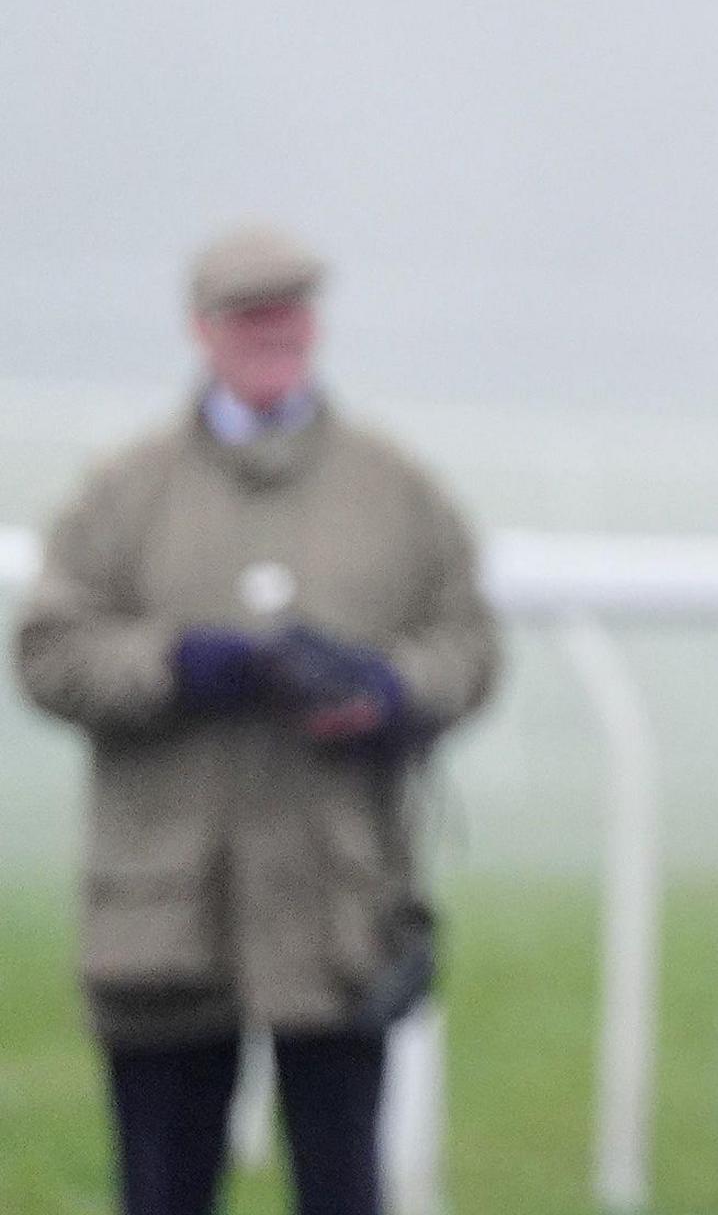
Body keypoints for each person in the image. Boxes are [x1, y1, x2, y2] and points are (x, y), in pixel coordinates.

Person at [13, 226, 501, 1215]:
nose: (272, 333)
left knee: (342, 1185)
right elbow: (48, 653)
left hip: (339, 909)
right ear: (202, 329)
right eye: (249, 315)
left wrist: (388, 691)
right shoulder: (125, 492)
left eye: (289, 312)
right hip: (165, 915)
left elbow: (468, 648)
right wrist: (179, 668)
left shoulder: (397, 491)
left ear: (315, 325)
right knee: (162, 1189)